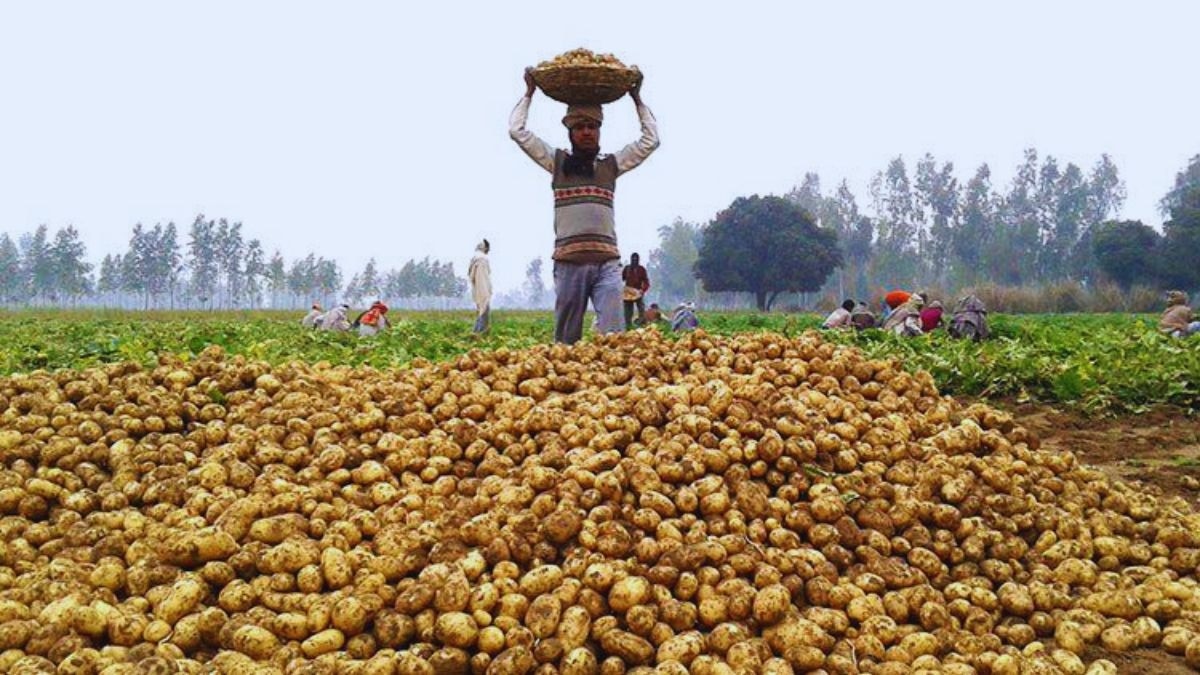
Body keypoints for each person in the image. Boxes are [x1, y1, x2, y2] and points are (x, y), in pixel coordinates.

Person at [510, 66, 660, 344]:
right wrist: (529, 94)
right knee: (566, 340)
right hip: (569, 264)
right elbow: (518, 131)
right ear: (570, 132)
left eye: (592, 127)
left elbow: (650, 141)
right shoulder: (557, 163)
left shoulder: (610, 166)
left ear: (599, 131)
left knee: (614, 337)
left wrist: (637, 100)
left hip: (607, 263)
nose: (587, 132)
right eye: (580, 127)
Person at [621, 252, 651, 329]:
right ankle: (628, 326)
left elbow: (646, 282)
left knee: (641, 309)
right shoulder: (627, 268)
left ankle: (640, 325)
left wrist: (643, 290)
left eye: (636, 259)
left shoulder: (641, 269)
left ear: (638, 260)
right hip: (628, 293)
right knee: (627, 311)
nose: (634, 261)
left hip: (638, 292)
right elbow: (621, 278)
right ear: (631, 260)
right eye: (633, 259)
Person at [469, 239, 492, 334]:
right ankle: (479, 333)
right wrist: (487, 292)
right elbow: (483, 278)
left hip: (477, 289)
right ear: (485, 248)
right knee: (484, 309)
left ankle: (476, 332)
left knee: (480, 310)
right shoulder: (482, 259)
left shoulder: (475, 258)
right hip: (482, 288)